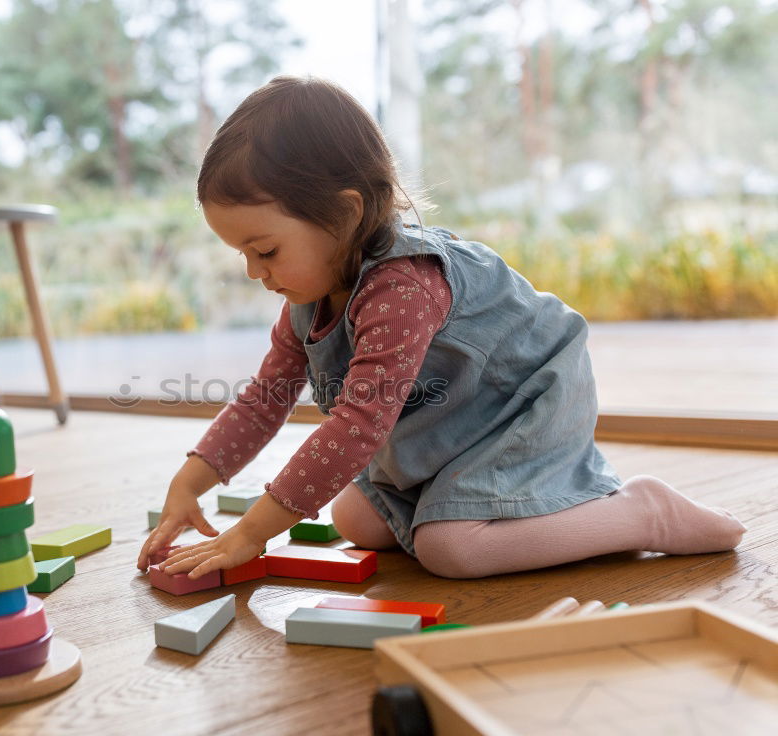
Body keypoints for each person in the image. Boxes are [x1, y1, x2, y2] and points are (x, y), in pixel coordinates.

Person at [136, 75, 745, 581]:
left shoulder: (404, 285)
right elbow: (261, 402)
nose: (252, 272)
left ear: (345, 214)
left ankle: (642, 515)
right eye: (242, 254)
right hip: (454, 429)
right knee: (356, 520)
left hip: (520, 408)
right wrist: (189, 483)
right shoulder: (309, 295)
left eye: (265, 250)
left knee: (452, 550)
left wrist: (249, 534)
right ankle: (462, 505)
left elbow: (356, 427)